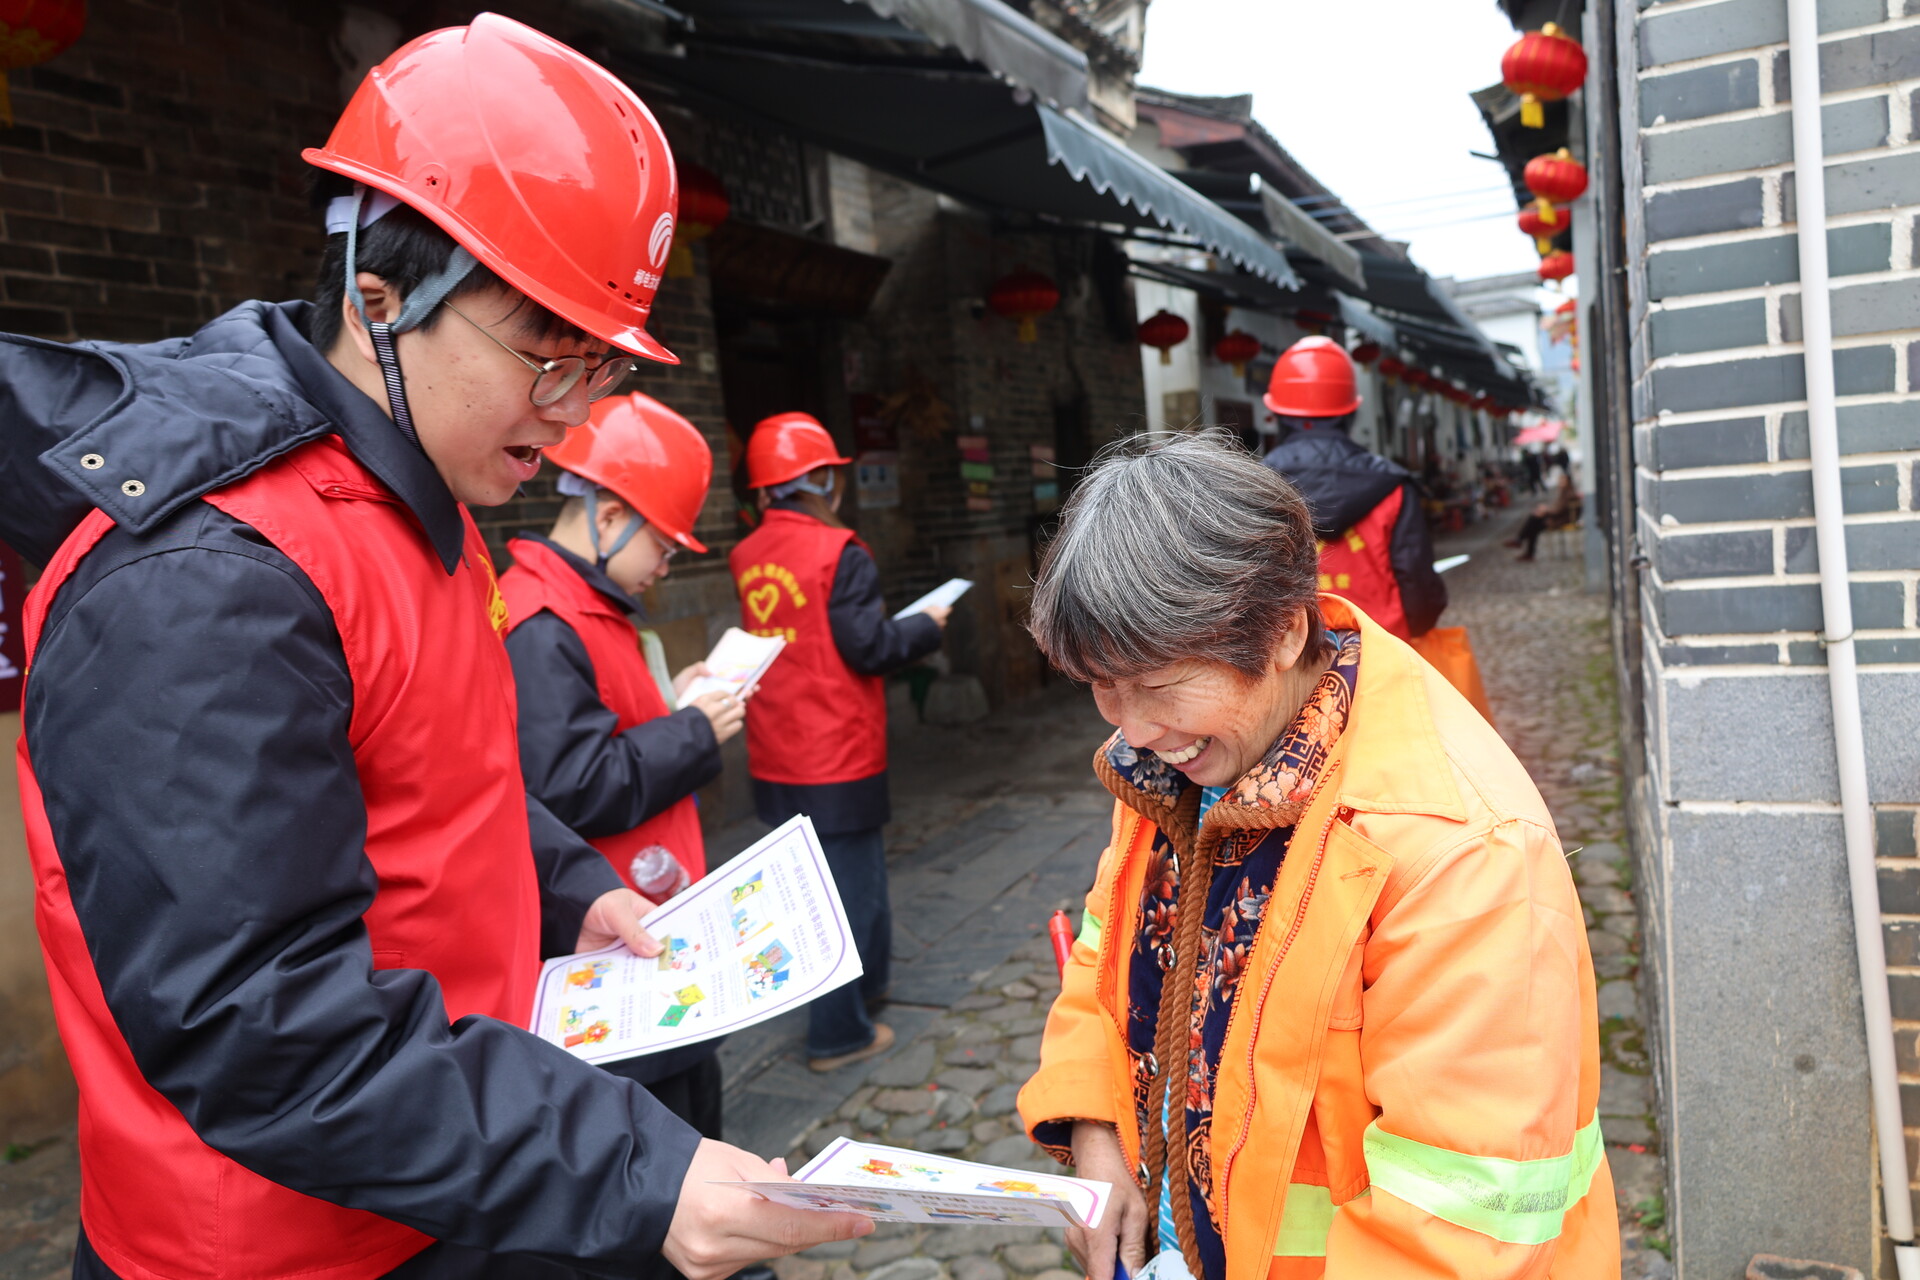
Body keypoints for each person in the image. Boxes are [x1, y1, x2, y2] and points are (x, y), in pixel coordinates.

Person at [3, 18, 868, 1280]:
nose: (572, 412)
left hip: (444, 1180)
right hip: (286, 1244)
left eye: (600, 366)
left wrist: (580, 888)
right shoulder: (213, 570)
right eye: (544, 354)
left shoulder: (423, 504)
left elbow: (447, 770)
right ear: (378, 295)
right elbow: (260, 1025)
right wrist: (633, 1165)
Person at [1016, 431, 1616, 1279]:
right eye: (1102, 690)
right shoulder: (1173, 762)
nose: (1132, 728)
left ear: (1284, 633)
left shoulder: (1458, 852)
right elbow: (1101, 955)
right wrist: (1097, 1134)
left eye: (1157, 687)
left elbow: (1459, 1235)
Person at [501, 390, 757, 1280]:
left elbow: (603, 733)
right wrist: (693, 730)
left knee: (693, 1131)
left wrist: (673, 701)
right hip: (611, 955)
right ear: (608, 515)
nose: (663, 568)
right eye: (661, 544)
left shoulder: (588, 609)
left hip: (650, 933)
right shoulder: (540, 625)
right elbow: (569, 786)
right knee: (654, 1175)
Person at [727, 412, 948, 1072]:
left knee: (814, 887)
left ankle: (868, 988)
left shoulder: (745, 554)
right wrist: (927, 625)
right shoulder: (839, 550)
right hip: (836, 750)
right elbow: (869, 647)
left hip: (775, 749)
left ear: (767, 490)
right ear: (821, 480)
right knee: (849, 893)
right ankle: (837, 1033)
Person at [1258, 337, 1447, 641]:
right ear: (1351, 412)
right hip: (1381, 658)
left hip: (1288, 668)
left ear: (1278, 412)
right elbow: (1419, 589)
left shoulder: (1252, 487)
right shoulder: (1392, 487)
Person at [1509, 465, 1581, 561]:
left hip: (1561, 520)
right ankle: (1523, 545)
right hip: (1559, 518)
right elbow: (1557, 508)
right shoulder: (1565, 492)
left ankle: (1521, 541)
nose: (1560, 482)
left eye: (1562, 480)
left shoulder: (1568, 494)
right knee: (1534, 522)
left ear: (1568, 482)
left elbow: (1559, 511)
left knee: (1534, 520)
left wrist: (1545, 510)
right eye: (1560, 480)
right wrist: (1545, 510)